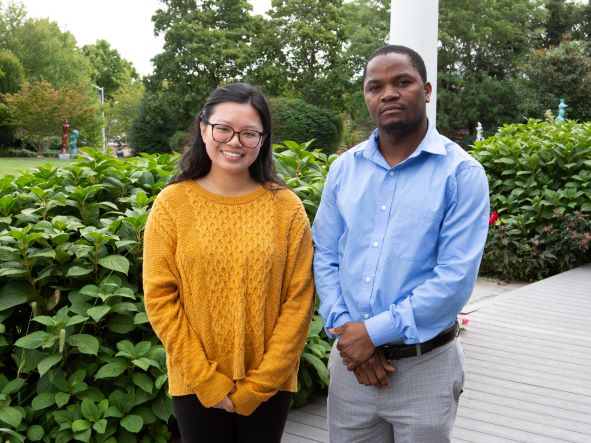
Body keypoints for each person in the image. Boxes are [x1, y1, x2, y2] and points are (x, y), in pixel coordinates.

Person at [312, 45, 490, 442]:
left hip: (425, 369)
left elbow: (454, 280)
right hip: (351, 369)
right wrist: (348, 332)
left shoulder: (461, 173)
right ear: (367, 97)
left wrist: (371, 334)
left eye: (402, 82)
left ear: (426, 90)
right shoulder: (344, 169)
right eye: (375, 86)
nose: (387, 93)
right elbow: (324, 253)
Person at [143, 83, 315, 443]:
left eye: (249, 133)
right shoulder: (172, 204)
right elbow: (160, 297)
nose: (234, 141)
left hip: (271, 385)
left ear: (263, 139)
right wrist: (206, 380)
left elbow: (299, 301)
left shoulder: (286, 209)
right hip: (195, 383)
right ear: (204, 128)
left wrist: (261, 384)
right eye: (223, 128)